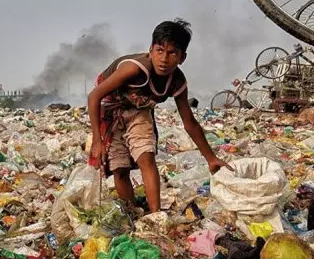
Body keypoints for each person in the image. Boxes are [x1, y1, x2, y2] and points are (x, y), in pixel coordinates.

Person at [87, 18, 232, 213]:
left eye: (172, 52)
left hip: (139, 111)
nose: (164, 59)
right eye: (160, 50)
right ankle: (131, 213)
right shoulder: (134, 69)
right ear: (151, 50)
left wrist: (211, 158)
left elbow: (189, 122)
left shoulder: (177, 82)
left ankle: (155, 217)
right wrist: (97, 140)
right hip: (109, 109)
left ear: (182, 57)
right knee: (119, 167)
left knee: (146, 157)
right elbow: (95, 96)